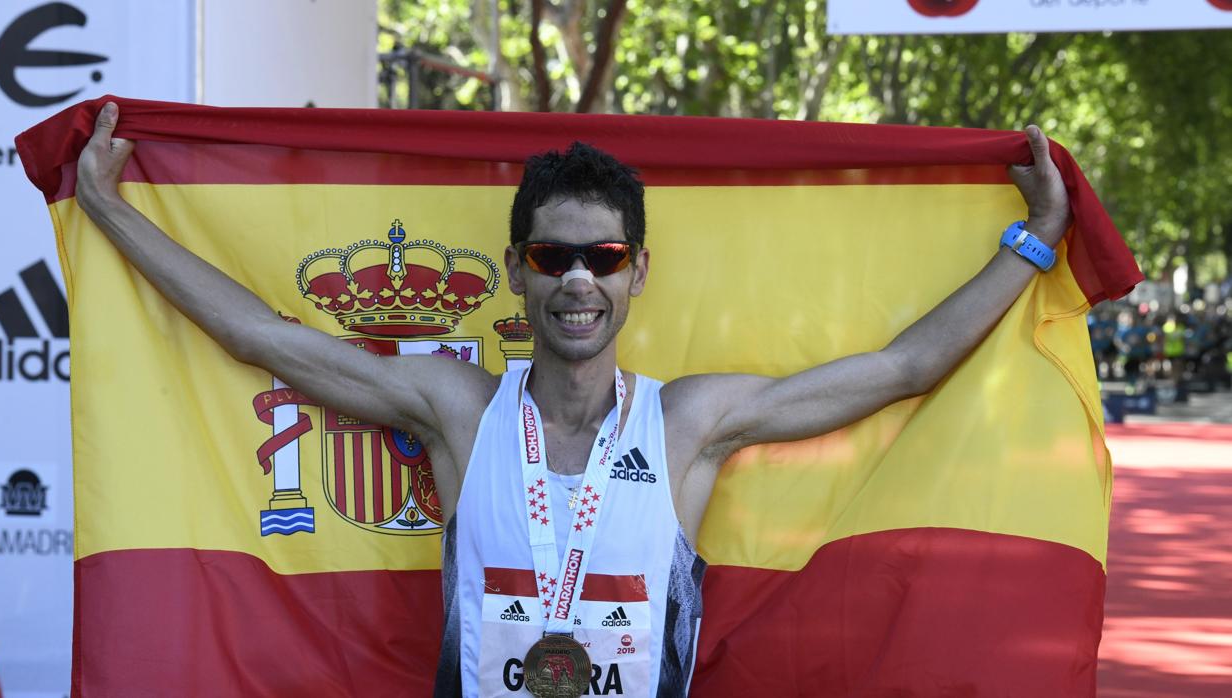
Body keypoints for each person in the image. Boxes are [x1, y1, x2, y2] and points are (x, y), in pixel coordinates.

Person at [74, 102, 1071, 697]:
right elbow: (261, 336)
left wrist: (1032, 243)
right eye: (554, 256)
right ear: (517, 270)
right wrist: (110, 211)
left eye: (604, 258)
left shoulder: (690, 424)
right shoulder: (455, 408)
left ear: (639, 272)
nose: (578, 280)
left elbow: (900, 368)